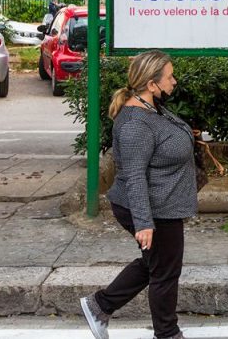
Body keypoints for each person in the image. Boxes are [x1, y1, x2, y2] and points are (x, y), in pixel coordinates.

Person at [80, 50, 197, 339]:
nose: (174, 81)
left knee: (155, 264)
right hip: (151, 208)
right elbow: (134, 176)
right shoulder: (135, 124)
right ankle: (167, 334)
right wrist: (144, 223)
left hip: (162, 204)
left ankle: (99, 306)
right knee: (165, 272)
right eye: (169, 76)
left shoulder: (151, 107)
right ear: (151, 84)